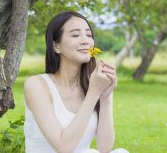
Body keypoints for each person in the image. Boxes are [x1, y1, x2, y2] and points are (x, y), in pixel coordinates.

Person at [24, 11, 129, 153]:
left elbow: (105, 148)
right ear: (56, 46)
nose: (86, 40)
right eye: (75, 35)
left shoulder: (89, 84)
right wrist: (93, 93)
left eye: (89, 35)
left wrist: (105, 97)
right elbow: (63, 147)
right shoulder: (36, 85)